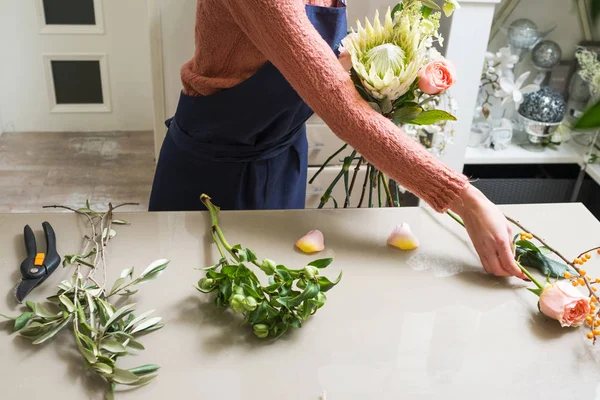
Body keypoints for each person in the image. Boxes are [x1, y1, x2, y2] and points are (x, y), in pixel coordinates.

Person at [148, 0, 527, 280]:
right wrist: (465, 199)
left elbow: (302, 58)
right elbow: (339, 106)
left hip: (281, 157)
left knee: (275, 293)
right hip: (212, 171)